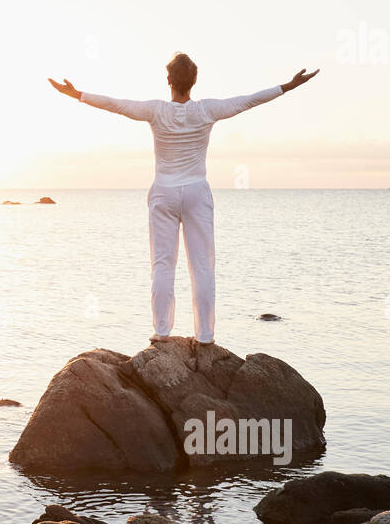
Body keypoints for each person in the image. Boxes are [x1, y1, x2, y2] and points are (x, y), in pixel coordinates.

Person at [48, 53, 318, 346]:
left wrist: (76, 94)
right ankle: (205, 337)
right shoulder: (206, 110)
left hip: (164, 192)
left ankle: (161, 333)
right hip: (196, 193)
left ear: (169, 81)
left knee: (163, 264)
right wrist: (288, 86)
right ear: (194, 82)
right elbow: (248, 100)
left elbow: (117, 105)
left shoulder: (156, 111)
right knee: (202, 266)